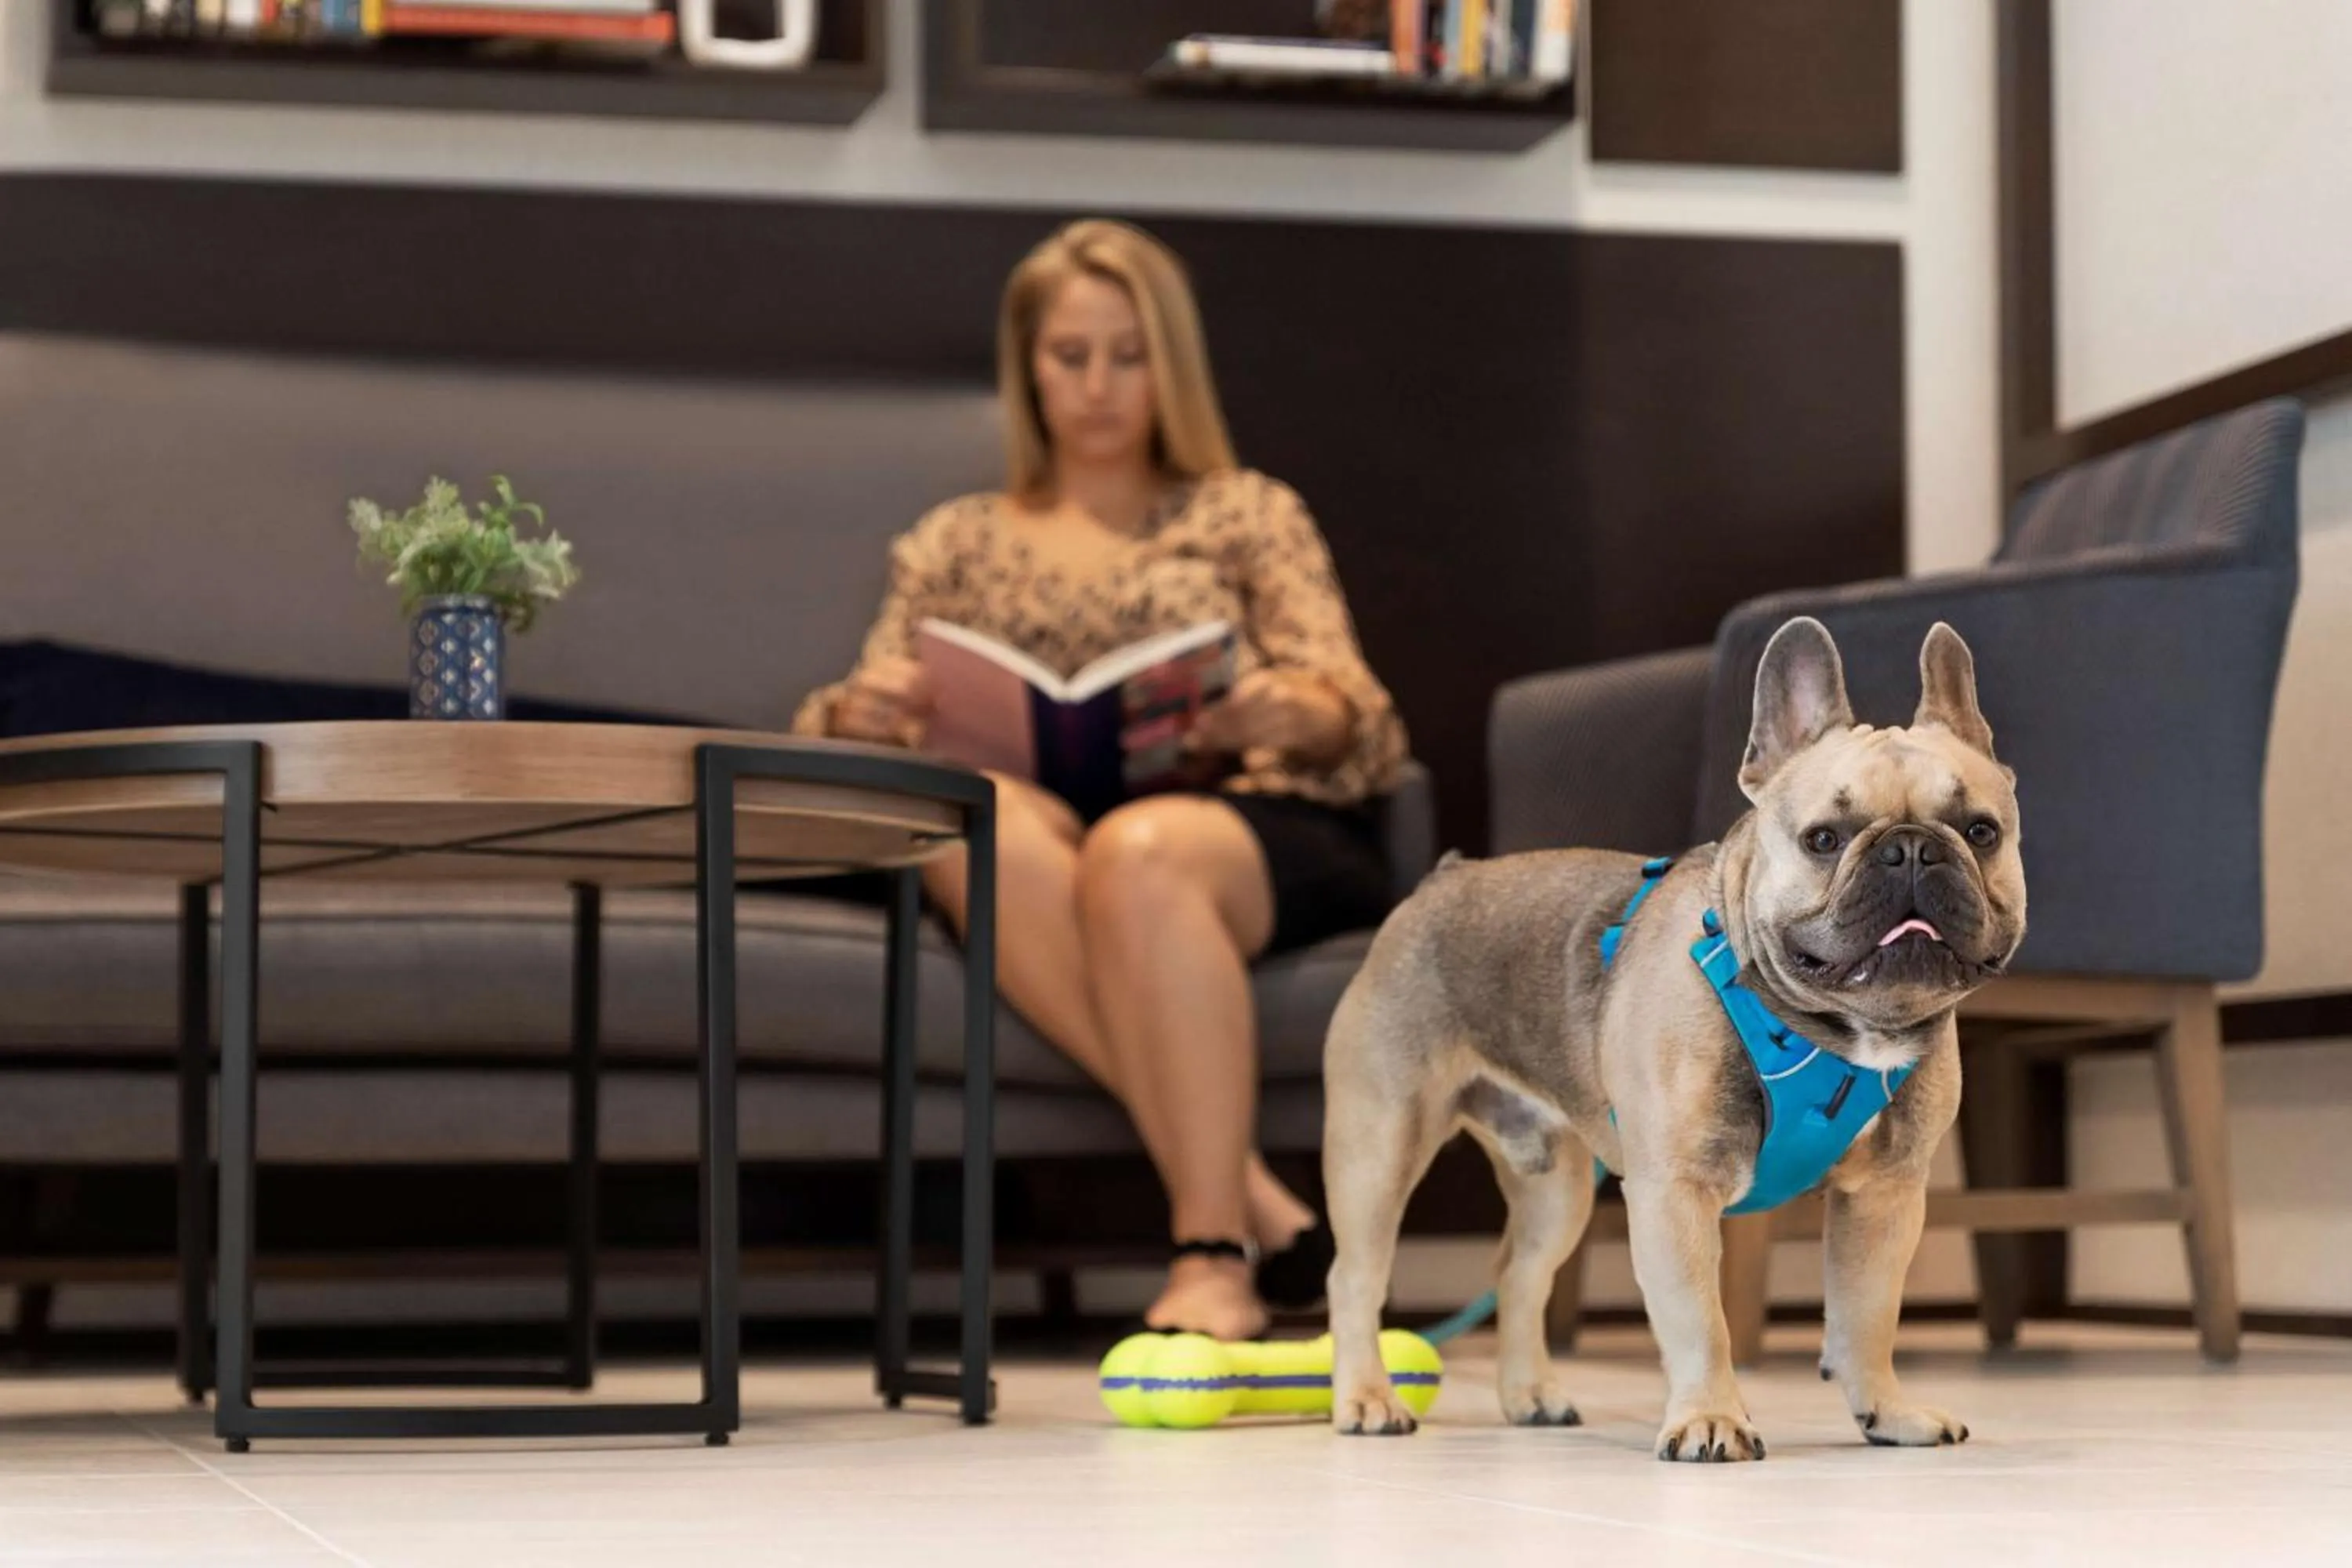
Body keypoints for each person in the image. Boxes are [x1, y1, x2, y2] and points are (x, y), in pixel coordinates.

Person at [794, 220, 1410, 1341]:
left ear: (1169, 362)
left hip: (1239, 829)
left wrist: (1291, 706)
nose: (1097, 386)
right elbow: (835, 736)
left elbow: (1358, 715)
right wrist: (860, 711)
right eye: (1069, 356)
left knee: (1138, 853)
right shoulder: (957, 542)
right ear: (1027, 366)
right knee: (962, 819)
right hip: (1036, 844)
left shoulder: (1245, 511)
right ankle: (1244, 1191)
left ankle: (1209, 1252)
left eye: (1127, 355)